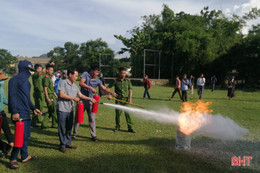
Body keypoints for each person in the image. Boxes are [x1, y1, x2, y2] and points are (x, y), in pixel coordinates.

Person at [8, 61, 41, 169]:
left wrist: (34, 108)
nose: (31, 73)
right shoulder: (14, 80)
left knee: (26, 136)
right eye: (30, 70)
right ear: (24, 69)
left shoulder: (27, 82)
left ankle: (24, 156)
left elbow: (26, 98)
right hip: (18, 112)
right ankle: (13, 158)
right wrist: (14, 111)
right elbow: (12, 96)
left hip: (26, 111)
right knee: (19, 137)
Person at [72, 65, 117, 141]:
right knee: (78, 118)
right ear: (92, 71)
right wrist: (90, 87)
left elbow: (104, 88)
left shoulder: (98, 80)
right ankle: (74, 134)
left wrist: (111, 92)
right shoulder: (85, 74)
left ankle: (94, 135)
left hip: (91, 101)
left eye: (98, 72)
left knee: (92, 119)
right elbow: (81, 83)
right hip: (82, 100)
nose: (97, 73)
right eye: (96, 72)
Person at [57, 68, 96, 153]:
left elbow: (80, 95)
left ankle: (68, 143)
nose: (76, 78)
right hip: (62, 109)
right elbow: (61, 95)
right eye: (75, 76)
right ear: (70, 75)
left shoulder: (75, 86)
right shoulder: (63, 83)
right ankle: (62, 145)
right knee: (62, 128)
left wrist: (90, 98)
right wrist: (73, 98)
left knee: (69, 128)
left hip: (70, 110)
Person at [108, 67, 136, 133]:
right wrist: (109, 95)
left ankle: (130, 128)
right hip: (118, 100)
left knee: (128, 114)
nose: (123, 74)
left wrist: (130, 99)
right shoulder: (115, 81)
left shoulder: (128, 81)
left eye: (124, 73)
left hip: (126, 100)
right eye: (122, 73)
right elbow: (108, 88)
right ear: (119, 73)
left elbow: (130, 90)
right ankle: (117, 127)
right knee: (118, 114)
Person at [0, 71, 14, 158]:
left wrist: (13, 104)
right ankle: (6, 147)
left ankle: (9, 147)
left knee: (7, 131)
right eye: (2, 79)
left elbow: (4, 99)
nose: (3, 81)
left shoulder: (1, 88)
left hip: (2, 114)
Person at [42, 65, 58, 129]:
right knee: (53, 110)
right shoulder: (46, 78)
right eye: (51, 70)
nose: (52, 71)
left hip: (52, 95)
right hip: (49, 95)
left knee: (51, 111)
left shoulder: (49, 77)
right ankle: (54, 124)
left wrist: (55, 94)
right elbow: (45, 88)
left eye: (53, 70)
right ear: (47, 70)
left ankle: (44, 124)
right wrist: (47, 98)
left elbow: (51, 88)